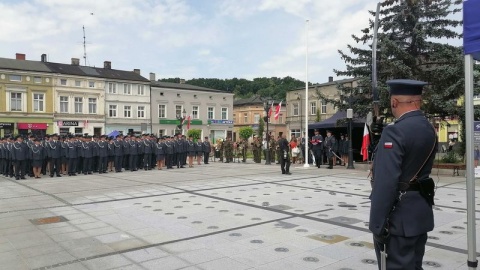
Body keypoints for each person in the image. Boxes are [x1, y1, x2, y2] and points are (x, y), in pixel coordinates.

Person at [369, 79, 437, 270]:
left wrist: (377, 224)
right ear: (418, 101)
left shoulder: (395, 131)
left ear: (394, 102)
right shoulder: (429, 128)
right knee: (415, 265)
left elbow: (386, 182)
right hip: (419, 214)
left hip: (397, 219)